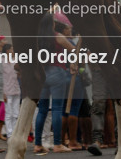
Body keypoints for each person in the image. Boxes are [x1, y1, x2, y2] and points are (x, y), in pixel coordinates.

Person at [33, 12, 76, 154]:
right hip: (58, 71)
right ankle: (57, 144)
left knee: (42, 110)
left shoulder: (37, 38)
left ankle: (38, 144)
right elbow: (74, 50)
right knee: (57, 108)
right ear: (51, 23)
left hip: (43, 74)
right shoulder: (57, 36)